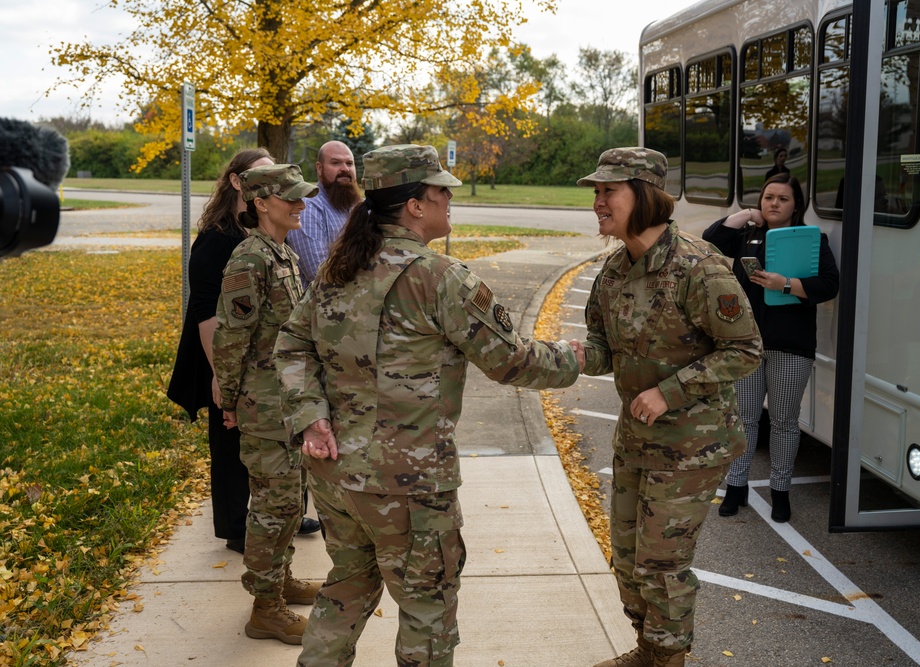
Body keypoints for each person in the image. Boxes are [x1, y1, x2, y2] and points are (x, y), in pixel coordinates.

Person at [273, 144, 581, 667]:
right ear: (416, 204)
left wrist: (312, 418)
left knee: (346, 587)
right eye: (443, 190)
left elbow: (291, 345)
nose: (449, 199)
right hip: (408, 484)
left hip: (334, 473)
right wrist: (575, 357)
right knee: (427, 609)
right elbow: (512, 362)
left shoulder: (338, 269)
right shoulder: (440, 278)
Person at [569, 148, 762, 667]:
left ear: (646, 197)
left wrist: (669, 391)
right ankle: (650, 650)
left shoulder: (699, 268)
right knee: (628, 562)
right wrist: (572, 356)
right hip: (635, 442)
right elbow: (603, 346)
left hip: (691, 446)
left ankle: (669, 660)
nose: (597, 202)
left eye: (609, 191)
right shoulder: (612, 272)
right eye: (596, 191)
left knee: (661, 565)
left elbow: (745, 350)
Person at [213, 164, 323, 645]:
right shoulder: (249, 260)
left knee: (290, 499)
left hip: (288, 403)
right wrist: (231, 399)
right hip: (263, 406)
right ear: (261, 202)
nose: (301, 205)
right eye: (291, 198)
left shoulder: (283, 254)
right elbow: (232, 337)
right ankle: (264, 609)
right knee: (273, 508)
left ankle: (281, 581)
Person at [703, 173, 840, 523]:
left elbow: (828, 284)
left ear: (797, 206)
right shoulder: (747, 236)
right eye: (768, 198)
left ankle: (781, 492)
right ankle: (737, 487)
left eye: (782, 199)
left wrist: (787, 285)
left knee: (783, 421)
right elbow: (711, 240)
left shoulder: (813, 240)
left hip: (792, 346)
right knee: (744, 418)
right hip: (747, 344)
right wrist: (748, 213)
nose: (774, 204)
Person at [167, 147, 273, 554]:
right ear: (235, 181)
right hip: (221, 356)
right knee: (230, 442)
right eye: (259, 175)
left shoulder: (255, 230)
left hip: (255, 356)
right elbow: (205, 313)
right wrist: (220, 376)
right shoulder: (217, 240)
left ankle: (276, 518)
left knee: (261, 442)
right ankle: (235, 528)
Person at [285, 140, 361, 287]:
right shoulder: (308, 208)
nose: (345, 169)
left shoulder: (359, 205)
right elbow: (318, 273)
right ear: (319, 168)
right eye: (336, 163)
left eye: (350, 163)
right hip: (322, 306)